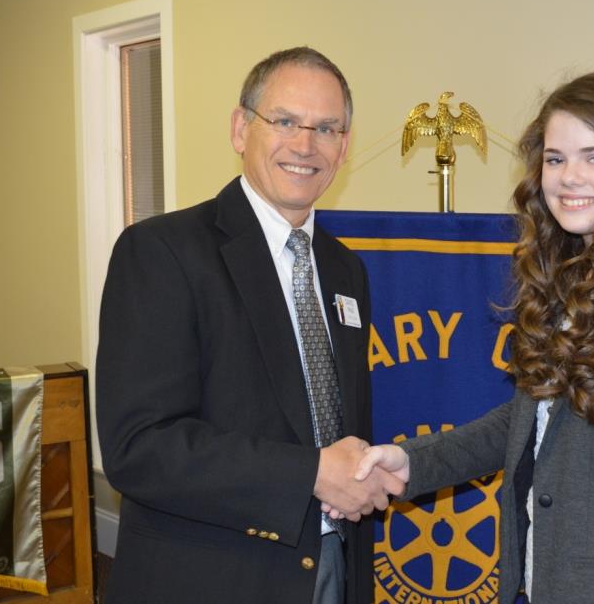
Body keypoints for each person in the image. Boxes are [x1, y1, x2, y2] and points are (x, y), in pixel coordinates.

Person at [348, 71, 594, 604]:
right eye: (555, 159)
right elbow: (530, 425)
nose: (569, 177)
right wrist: (411, 462)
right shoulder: (565, 277)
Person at [96, 46, 403, 604]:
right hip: (211, 580)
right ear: (241, 129)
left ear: (344, 147)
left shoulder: (345, 270)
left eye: (326, 128)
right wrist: (310, 473)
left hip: (334, 566)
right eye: (284, 121)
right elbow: (139, 447)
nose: (305, 145)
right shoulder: (162, 252)